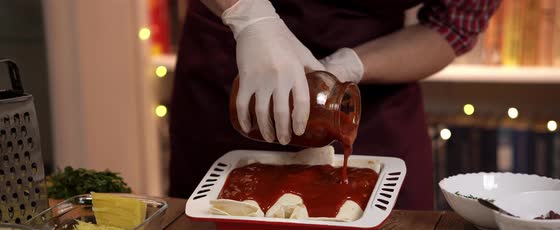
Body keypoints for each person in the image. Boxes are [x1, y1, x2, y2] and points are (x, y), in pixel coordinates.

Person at [169, 0, 501, 210]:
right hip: (234, 66)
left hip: (374, 83)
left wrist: (347, 68)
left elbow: (452, 25)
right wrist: (250, 17)